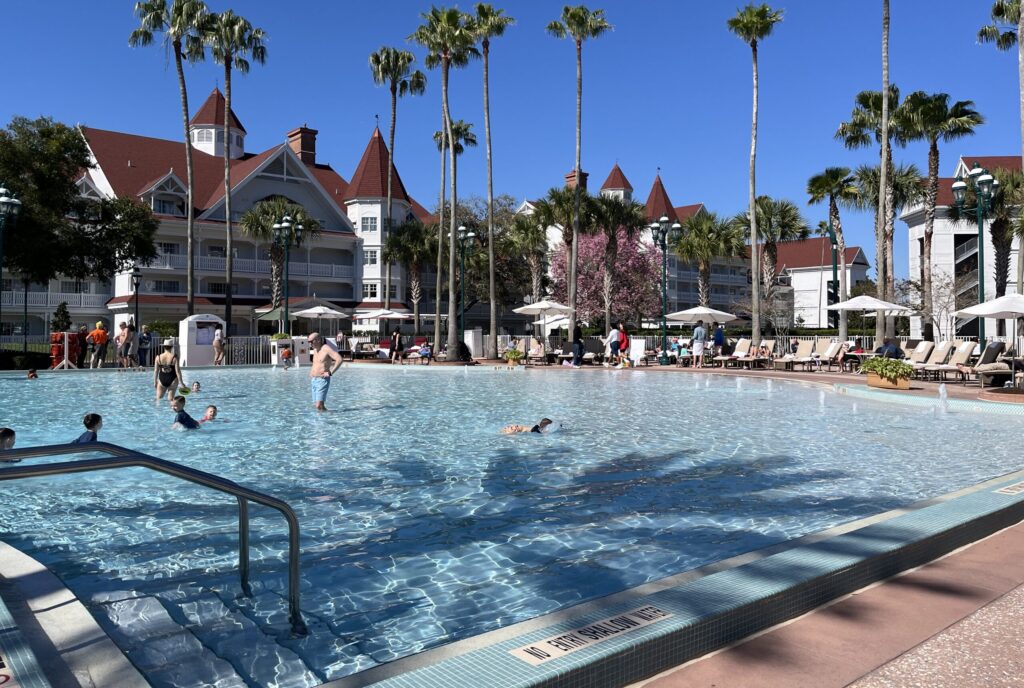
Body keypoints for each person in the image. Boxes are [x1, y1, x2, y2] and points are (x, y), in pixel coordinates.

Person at [308, 331, 343, 411]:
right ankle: (322, 420)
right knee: (317, 406)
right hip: (314, 379)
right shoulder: (315, 349)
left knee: (319, 405)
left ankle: (328, 417)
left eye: (311, 341)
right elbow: (317, 363)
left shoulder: (326, 348)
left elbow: (339, 359)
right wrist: (312, 371)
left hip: (322, 379)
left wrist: (330, 372)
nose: (310, 344)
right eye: (308, 342)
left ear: (318, 340)